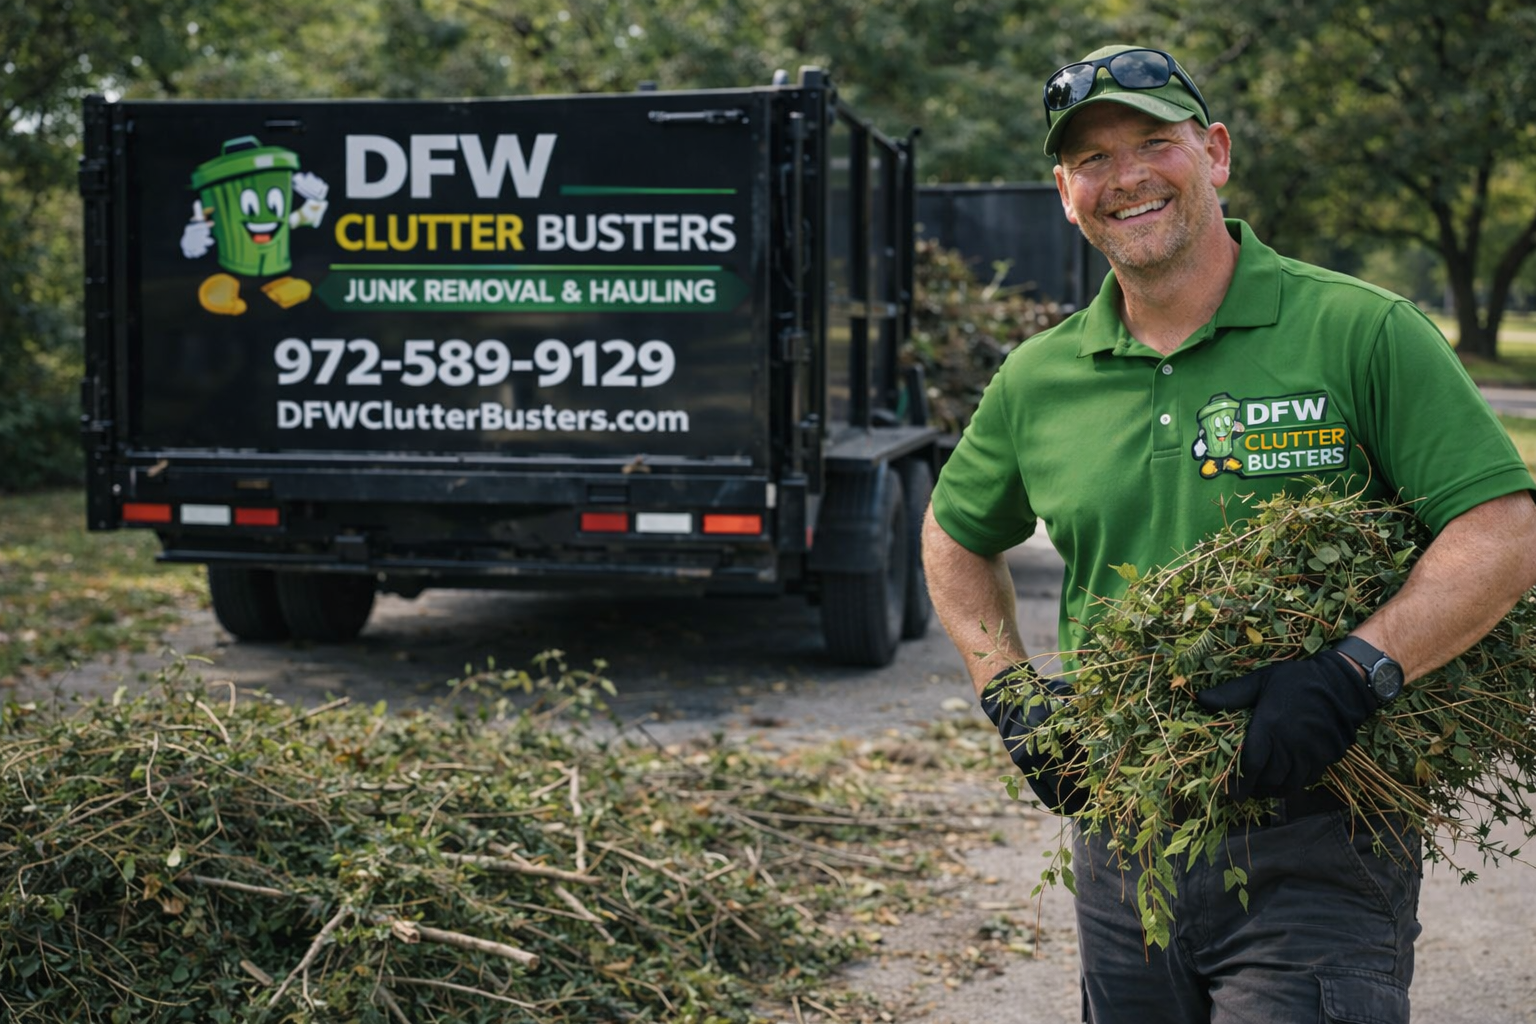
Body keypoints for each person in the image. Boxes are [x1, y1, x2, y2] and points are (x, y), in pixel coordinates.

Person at [921, 42, 1536, 1023]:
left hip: (1326, 836)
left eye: (1151, 143)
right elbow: (953, 536)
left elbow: (1501, 529)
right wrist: (1007, 689)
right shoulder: (1039, 376)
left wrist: (1356, 669)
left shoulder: (1361, 329)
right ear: (1065, 194)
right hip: (1126, 841)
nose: (1124, 176)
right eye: (1091, 160)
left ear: (1213, 153)